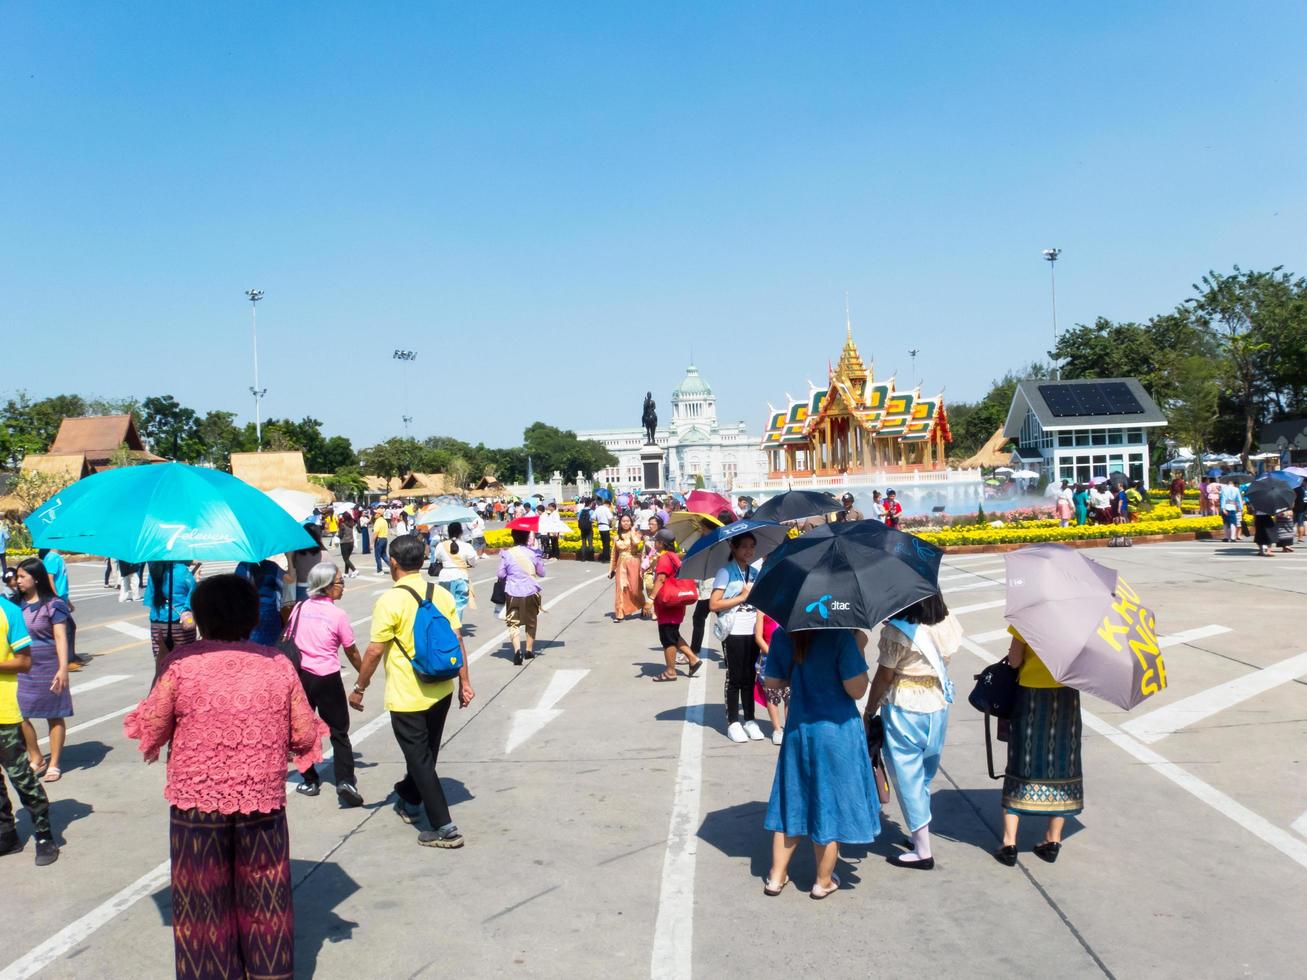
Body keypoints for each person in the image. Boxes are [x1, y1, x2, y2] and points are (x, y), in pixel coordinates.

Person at [124, 573, 327, 979]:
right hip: (262, 796)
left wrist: (163, 664)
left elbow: (154, 728)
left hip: (196, 802)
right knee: (264, 895)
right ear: (252, 616)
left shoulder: (180, 664)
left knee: (202, 900)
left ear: (199, 617)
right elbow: (304, 732)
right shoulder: (277, 664)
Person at [349, 535, 474, 848]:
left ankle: (445, 827)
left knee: (420, 760)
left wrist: (359, 687)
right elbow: (458, 642)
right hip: (441, 688)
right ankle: (407, 795)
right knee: (425, 756)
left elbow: (375, 651)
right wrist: (465, 682)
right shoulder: (440, 594)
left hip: (408, 694)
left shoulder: (390, 601)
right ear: (422, 559)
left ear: (393, 562)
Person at [762, 627, 879, 898]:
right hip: (836, 733)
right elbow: (857, 689)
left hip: (798, 730)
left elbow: (773, 681)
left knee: (791, 799)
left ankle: (776, 875)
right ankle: (822, 880)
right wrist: (858, 644)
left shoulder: (784, 633)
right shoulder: (841, 636)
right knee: (829, 803)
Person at [866, 594, 962, 869]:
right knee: (924, 774)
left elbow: (885, 676)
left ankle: (922, 851)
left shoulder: (898, 630)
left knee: (907, 776)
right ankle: (919, 836)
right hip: (937, 703)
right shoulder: (945, 622)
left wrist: (869, 709)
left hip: (905, 706)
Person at [995, 625, 1083, 866]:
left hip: (1030, 695)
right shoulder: (1079, 620)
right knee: (1063, 760)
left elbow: (1014, 661)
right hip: (1066, 695)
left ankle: (1009, 843)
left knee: (1022, 760)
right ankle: (1052, 840)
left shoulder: (1028, 618)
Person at [288, 562, 364, 806]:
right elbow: (351, 650)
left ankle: (309, 780)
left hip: (302, 678)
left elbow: (290, 637)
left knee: (303, 730)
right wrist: (364, 675)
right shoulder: (337, 615)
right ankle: (345, 780)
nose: (343, 587)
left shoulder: (299, 608)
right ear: (327, 586)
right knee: (339, 731)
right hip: (328, 678)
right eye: (340, 582)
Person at [0, 590, 58, 865]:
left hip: (5, 710)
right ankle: (6, 834)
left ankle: (45, 835)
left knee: (20, 776)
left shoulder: (8, 612)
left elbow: (24, 662)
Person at [14, 560, 73, 783]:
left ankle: (55, 762)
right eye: (17, 577)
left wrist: (62, 668)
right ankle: (36, 756)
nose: (18, 581)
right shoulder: (16, 604)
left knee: (54, 714)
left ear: (35, 578)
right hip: (23, 665)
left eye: (22, 577)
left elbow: (60, 637)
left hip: (48, 665)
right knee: (19, 714)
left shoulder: (54, 605)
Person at [710, 533, 763, 743]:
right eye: (744, 547)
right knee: (735, 677)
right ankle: (733, 721)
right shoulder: (725, 572)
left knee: (750, 675)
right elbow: (714, 604)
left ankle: (750, 719)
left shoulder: (756, 572)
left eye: (752, 546)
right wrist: (741, 597)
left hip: (753, 631)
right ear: (733, 547)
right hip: (733, 631)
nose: (748, 551)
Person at [649, 529, 703, 681]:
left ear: (661, 543)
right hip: (676, 603)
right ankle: (693, 659)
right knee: (673, 634)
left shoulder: (665, 558)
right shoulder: (673, 556)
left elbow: (660, 579)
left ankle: (670, 671)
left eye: (656, 541)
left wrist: (650, 599)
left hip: (668, 604)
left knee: (668, 638)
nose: (655, 543)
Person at [498, 529, 546, 665]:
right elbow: (542, 573)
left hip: (512, 591)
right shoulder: (533, 553)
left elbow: (500, 574)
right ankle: (529, 650)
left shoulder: (506, 554)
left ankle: (517, 650)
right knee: (531, 620)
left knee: (513, 621)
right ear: (527, 538)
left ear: (513, 537)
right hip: (531, 591)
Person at [144, 560, 197, 659]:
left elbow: (149, 596)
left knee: (161, 660)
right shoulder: (182, 570)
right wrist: (187, 609)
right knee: (185, 658)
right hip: (181, 620)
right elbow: (194, 591)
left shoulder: (154, 570)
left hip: (157, 621)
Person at [432, 522, 480, 619]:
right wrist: (469, 564)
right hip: (460, 576)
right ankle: (456, 627)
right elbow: (473, 560)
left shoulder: (441, 545)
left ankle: (447, 625)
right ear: (461, 532)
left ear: (448, 532)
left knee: (446, 603)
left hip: (444, 576)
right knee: (459, 604)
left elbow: (437, 558)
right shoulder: (466, 546)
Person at [754, 612, 788, 744]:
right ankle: (777, 730)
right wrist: (773, 654)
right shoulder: (761, 611)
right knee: (772, 695)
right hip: (769, 659)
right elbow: (758, 637)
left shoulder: (789, 609)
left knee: (789, 696)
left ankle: (789, 728)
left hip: (788, 658)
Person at [608, 514, 644, 623]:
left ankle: (642, 604)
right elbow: (614, 554)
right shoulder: (616, 537)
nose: (626, 523)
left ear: (631, 522)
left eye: (628, 521)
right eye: (623, 521)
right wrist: (611, 569)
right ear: (620, 523)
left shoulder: (636, 534)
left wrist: (633, 531)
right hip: (621, 564)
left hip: (633, 562)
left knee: (635, 588)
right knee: (620, 588)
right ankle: (619, 613)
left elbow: (637, 543)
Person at [291, 524, 326, 600]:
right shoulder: (322, 553)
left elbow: (293, 567)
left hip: (300, 588)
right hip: (319, 588)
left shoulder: (296, 552)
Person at [1219, 477, 1244, 543]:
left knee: (1225, 522)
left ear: (1228, 483)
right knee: (1233, 522)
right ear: (1233, 483)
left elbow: (1222, 499)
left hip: (1226, 506)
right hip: (1233, 507)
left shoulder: (1224, 489)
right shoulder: (1236, 489)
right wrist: (1241, 508)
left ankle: (1226, 537)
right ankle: (1233, 537)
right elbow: (1239, 500)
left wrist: (1222, 508)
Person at [338, 510, 358, 578]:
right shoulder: (351, 523)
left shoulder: (342, 524)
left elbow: (340, 535)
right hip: (351, 542)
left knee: (345, 559)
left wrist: (337, 535)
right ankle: (346, 573)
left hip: (344, 543)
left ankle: (354, 570)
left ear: (344, 517)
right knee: (347, 558)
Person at [594, 498, 614, 564]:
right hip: (605, 527)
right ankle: (606, 558)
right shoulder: (606, 509)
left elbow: (592, 517)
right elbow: (611, 518)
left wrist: (598, 519)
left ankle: (604, 557)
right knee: (607, 543)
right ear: (607, 504)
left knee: (603, 543)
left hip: (600, 527)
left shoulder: (597, 509)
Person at [373, 508, 391, 573]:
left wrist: (371, 543)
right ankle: (392, 566)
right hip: (384, 539)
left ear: (379, 514)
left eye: (376, 513)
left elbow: (376, 532)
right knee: (384, 555)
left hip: (379, 539)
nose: (374, 514)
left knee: (377, 555)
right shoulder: (384, 521)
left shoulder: (378, 521)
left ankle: (379, 570)